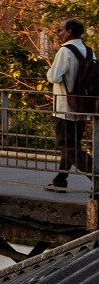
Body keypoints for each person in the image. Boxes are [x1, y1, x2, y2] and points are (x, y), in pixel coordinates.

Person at [46, 17, 94, 191]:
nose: (59, 33)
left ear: (69, 31)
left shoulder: (65, 51)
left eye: (61, 30)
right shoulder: (89, 52)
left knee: (66, 145)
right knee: (72, 145)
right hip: (82, 106)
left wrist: (49, 71)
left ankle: (96, 175)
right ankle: (60, 179)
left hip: (65, 107)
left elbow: (54, 77)